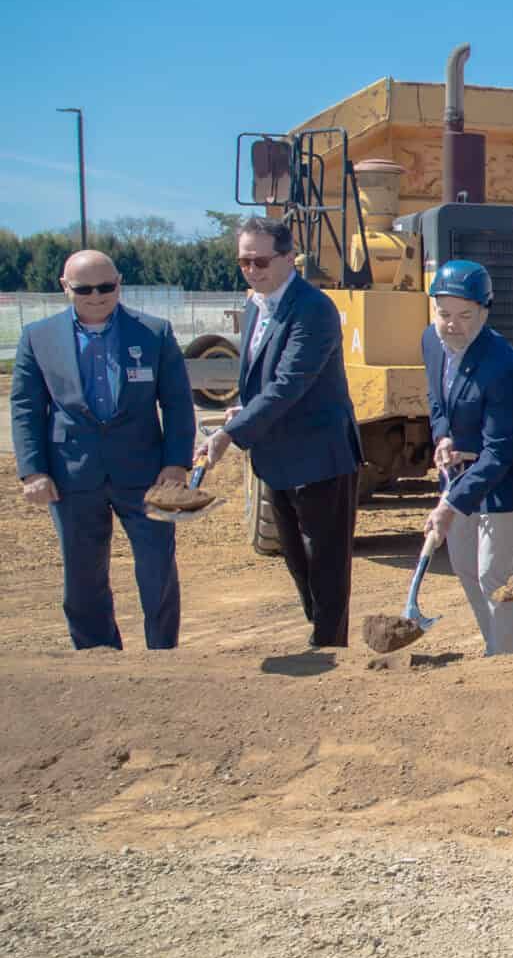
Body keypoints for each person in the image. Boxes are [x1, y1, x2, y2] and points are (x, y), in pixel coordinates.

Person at [9, 249, 193, 649]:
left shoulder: (154, 333)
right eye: (84, 288)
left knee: (157, 569)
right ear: (65, 287)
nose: (97, 296)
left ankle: (162, 653)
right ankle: (97, 655)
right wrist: (33, 470)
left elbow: (177, 402)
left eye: (106, 287)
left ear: (119, 283)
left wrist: (177, 464)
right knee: (82, 577)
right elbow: (25, 407)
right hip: (72, 476)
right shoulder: (38, 338)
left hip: (146, 476)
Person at [204, 217, 362, 649]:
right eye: (243, 262)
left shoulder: (314, 309)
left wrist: (231, 433)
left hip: (320, 458)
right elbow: (260, 378)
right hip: (276, 459)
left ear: (289, 258)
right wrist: (244, 409)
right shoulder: (256, 305)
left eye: (260, 260)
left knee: (326, 565)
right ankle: (322, 635)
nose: (252, 270)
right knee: (296, 560)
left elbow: (290, 382)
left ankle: (330, 650)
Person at [420, 260, 513, 656]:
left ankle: (509, 661)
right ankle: (494, 647)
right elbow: (437, 399)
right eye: (444, 314)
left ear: (485, 312)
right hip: (461, 469)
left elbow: (501, 451)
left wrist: (449, 504)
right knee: (464, 565)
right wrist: (443, 436)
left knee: (494, 572)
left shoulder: (505, 366)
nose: (452, 325)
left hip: (506, 476)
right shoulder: (431, 341)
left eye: (465, 316)